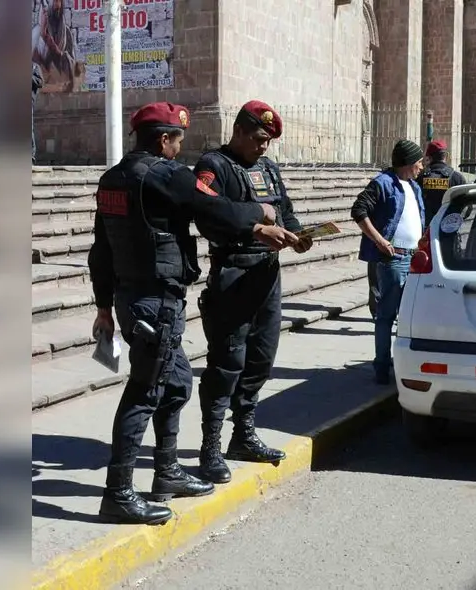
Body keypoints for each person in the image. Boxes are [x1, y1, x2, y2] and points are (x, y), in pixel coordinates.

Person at [88, 102, 298, 525]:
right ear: (164, 139)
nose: (180, 148)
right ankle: (119, 492)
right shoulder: (165, 175)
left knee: (179, 382)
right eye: (178, 140)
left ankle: (166, 472)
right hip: (156, 300)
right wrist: (259, 215)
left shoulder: (112, 180)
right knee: (144, 391)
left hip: (132, 299)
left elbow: (101, 250)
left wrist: (104, 307)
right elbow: (214, 208)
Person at [194, 100, 314, 485]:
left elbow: (285, 209)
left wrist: (298, 235)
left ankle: (242, 436)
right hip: (233, 273)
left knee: (261, 359)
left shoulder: (268, 169)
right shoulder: (213, 166)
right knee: (226, 363)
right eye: (259, 139)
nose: (264, 147)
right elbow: (208, 215)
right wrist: (256, 228)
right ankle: (210, 447)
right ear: (239, 131)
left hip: (267, 275)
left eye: (269, 141)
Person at [351, 139, 425, 384]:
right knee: (386, 315)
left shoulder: (413, 186)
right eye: (418, 162)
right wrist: (380, 241)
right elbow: (358, 210)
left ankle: (404, 363)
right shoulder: (383, 183)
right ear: (407, 163)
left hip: (415, 259)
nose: (422, 167)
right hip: (395, 259)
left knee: (410, 316)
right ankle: (382, 366)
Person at [417, 140, 467, 230]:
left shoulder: (419, 177)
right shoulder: (457, 178)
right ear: (446, 156)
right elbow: (466, 209)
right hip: (449, 231)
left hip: (424, 231)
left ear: (429, 157)